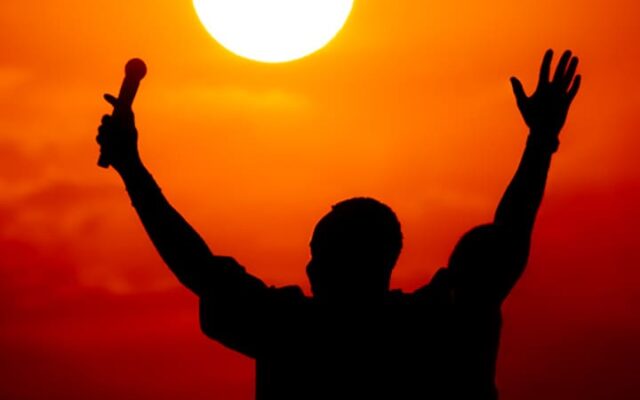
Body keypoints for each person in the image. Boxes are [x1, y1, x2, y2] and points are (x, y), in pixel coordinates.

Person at [96, 49, 581, 399]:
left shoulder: (291, 331)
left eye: (320, 255)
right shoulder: (433, 326)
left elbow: (197, 267)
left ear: (344, 263)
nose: (309, 267)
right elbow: (503, 247)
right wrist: (540, 142)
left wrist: (132, 168)